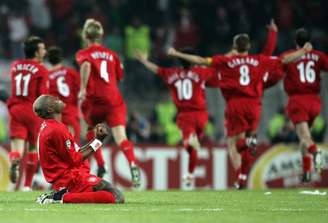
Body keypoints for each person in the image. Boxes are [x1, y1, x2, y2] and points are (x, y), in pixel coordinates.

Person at [168, 35, 312, 189]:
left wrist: (177, 54)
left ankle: (242, 164)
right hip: (255, 105)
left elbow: (201, 61)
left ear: (234, 47)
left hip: (236, 104)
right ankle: (242, 177)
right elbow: (285, 59)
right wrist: (303, 51)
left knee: (233, 143)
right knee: (250, 139)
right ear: (249, 46)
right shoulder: (259, 60)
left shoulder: (226, 61)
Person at [135, 48, 216, 187]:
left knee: (189, 145)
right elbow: (217, 66)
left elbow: (157, 69)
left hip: (185, 115)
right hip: (202, 114)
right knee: (196, 146)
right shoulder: (201, 72)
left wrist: (143, 60)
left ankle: (188, 142)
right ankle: (190, 174)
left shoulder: (172, 73)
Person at [76, 18, 140, 187]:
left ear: (86, 36)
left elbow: (86, 66)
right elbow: (120, 76)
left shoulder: (84, 54)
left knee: (90, 131)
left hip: (94, 101)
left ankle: (102, 164)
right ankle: (133, 164)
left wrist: (82, 88)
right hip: (113, 99)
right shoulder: (113, 54)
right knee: (121, 137)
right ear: (101, 36)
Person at [34, 95, 124, 204]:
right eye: (55, 100)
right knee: (116, 197)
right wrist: (99, 141)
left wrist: (97, 140)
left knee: (107, 190)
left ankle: (62, 194)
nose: (59, 99)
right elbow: (75, 159)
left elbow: (74, 154)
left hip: (69, 177)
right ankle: (60, 198)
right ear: (50, 109)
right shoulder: (56, 129)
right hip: (71, 179)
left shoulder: (50, 126)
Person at [280, 28, 328, 182]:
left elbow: (282, 61)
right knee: (305, 139)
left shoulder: (290, 55)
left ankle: (316, 154)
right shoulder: (319, 56)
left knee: (305, 137)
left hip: (298, 101)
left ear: (295, 42)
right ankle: (306, 172)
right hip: (314, 101)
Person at [7, 36, 48, 191]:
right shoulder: (41, 69)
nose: (44, 51)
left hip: (16, 108)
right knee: (32, 148)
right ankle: (26, 185)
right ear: (37, 52)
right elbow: (42, 95)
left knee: (16, 146)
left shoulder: (15, 66)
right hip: (32, 110)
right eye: (42, 49)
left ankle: (15, 160)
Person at [48, 46, 81, 143]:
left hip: (54, 115)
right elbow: (80, 91)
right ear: (61, 58)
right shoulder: (71, 73)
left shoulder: (47, 75)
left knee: (58, 146)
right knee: (74, 147)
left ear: (49, 60)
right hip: (70, 112)